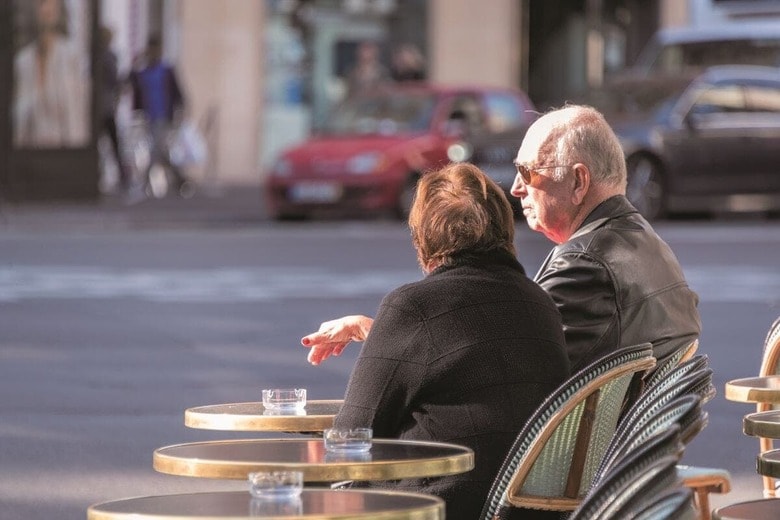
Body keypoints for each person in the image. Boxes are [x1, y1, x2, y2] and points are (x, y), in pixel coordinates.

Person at [302, 104, 701, 376]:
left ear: (579, 181)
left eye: (528, 173)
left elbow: (494, 371)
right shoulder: (646, 242)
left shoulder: (586, 263)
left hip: (586, 472)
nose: (514, 189)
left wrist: (376, 332)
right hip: (639, 459)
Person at [304, 162, 570, 520]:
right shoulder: (540, 304)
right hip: (528, 509)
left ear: (423, 237)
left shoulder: (413, 308)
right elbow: (470, 352)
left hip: (441, 505)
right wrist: (378, 331)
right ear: (505, 229)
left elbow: (348, 442)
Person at [13, 0, 89, 148]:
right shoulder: (23, 62)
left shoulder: (71, 58)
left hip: (62, 155)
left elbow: (76, 120)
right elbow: (18, 123)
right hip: (29, 158)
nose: (46, 8)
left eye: (52, 3)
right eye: (41, 3)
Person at [129, 35, 191, 198]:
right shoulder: (143, 72)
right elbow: (130, 79)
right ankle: (180, 180)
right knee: (160, 151)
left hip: (164, 116)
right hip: (149, 116)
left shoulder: (166, 70)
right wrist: (137, 61)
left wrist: (181, 111)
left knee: (156, 149)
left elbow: (178, 92)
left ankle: (144, 183)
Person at [99, 26, 130, 193]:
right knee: (113, 143)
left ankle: (121, 175)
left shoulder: (101, 55)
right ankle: (121, 175)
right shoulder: (107, 57)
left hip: (104, 107)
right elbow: (114, 80)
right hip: (105, 107)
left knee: (111, 142)